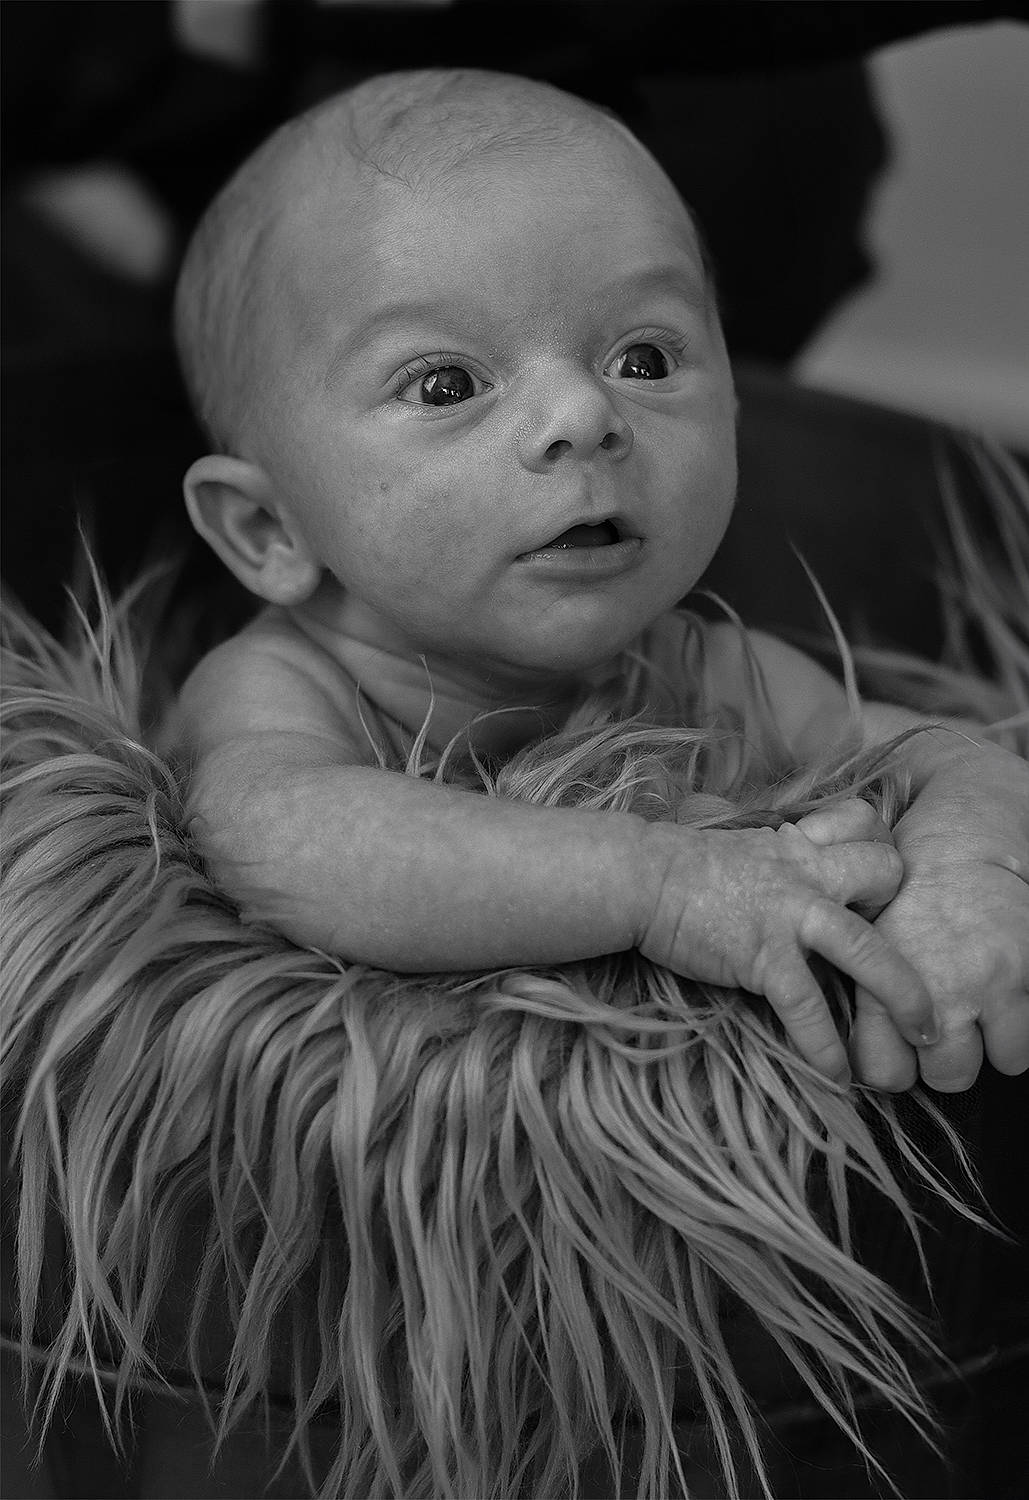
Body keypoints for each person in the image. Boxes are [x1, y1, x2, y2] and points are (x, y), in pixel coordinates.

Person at [171, 67, 1028, 1098]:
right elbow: (270, 839)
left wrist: (970, 881)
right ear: (269, 527)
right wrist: (660, 883)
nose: (585, 413)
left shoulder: (708, 670)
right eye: (446, 384)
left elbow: (952, 755)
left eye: (646, 358)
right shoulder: (282, 689)